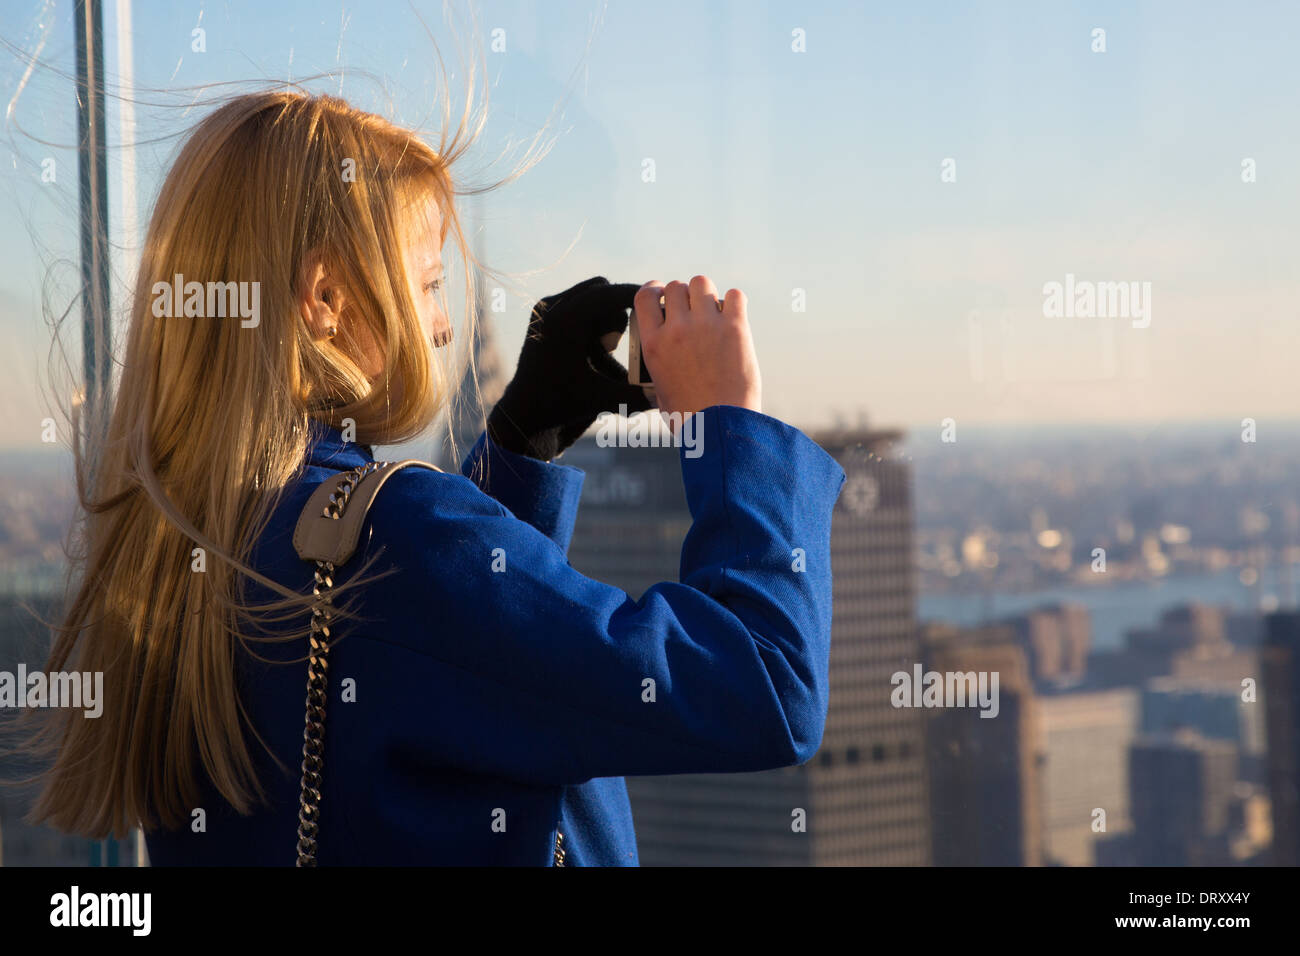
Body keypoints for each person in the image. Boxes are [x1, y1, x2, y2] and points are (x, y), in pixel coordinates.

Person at [28, 90, 846, 865]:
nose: (446, 322)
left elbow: (427, 680)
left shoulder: (184, 535)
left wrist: (522, 442)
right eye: (425, 285)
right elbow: (765, 682)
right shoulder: (400, 543)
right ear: (325, 297)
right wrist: (729, 427)